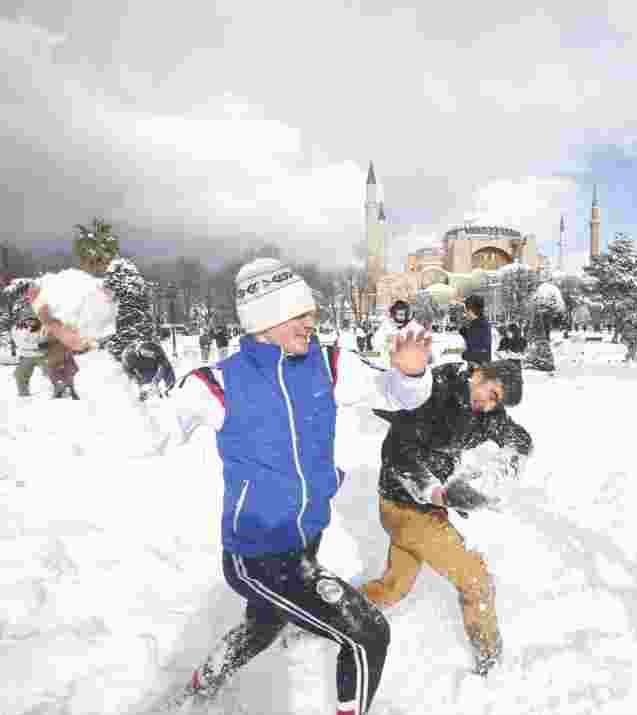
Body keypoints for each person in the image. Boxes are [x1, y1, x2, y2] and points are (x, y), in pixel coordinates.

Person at [153, 258, 435, 714]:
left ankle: (195, 693)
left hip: (304, 540)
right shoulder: (218, 383)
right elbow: (146, 435)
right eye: (299, 314)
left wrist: (410, 373)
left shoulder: (330, 364)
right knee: (366, 635)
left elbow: (398, 396)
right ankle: (195, 694)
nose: (311, 321)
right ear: (265, 319)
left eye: (310, 312)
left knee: (263, 626)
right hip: (257, 552)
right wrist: (100, 369)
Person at [361, 359, 532, 677]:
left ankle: (325, 613)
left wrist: (505, 465)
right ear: (480, 373)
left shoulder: (486, 410)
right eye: (491, 393)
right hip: (406, 506)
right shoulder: (433, 391)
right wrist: (435, 492)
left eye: (498, 400)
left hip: (423, 508)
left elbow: (518, 438)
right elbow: (398, 454)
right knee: (475, 580)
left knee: (393, 587)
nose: (489, 404)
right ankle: (491, 661)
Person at [11, 313, 48, 397]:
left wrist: (41, 344)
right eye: (28, 319)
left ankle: (60, 390)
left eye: (33, 319)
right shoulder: (17, 328)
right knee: (19, 375)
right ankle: (23, 395)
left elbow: (46, 341)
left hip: (42, 355)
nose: (30, 321)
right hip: (26, 356)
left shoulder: (43, 327)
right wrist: (37, 345)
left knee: (52, 371)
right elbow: (21, 344)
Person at [373, 300, 412, 367]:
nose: (402, 317)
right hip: (389, 364)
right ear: (394, 314)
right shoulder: (387, 327)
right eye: (400, 314)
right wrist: (388, 344)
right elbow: (377, 342)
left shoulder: (410, 327)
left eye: (404, 314)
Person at [460, 295, 492, 366]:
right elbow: (474, 343)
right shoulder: (476, 324)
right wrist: (465, 333)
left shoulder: (481, 325)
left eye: (465, 311)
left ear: (471, 311)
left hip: (483, 370)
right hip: (478, 368)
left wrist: (465, 355)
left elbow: (483, 353)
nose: (464, 314)